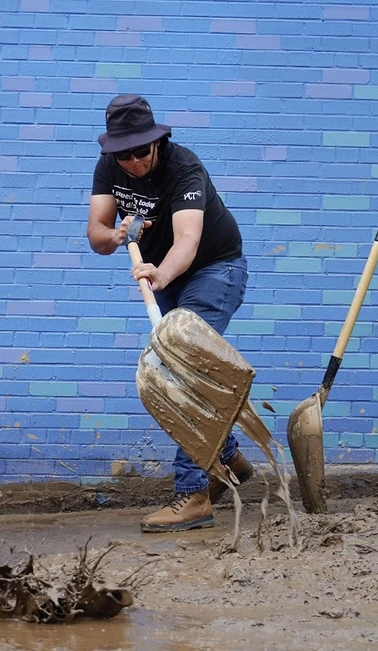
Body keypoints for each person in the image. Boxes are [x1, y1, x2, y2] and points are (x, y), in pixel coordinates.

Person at [87, 94, 253, 532]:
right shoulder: (110, 167)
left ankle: (193, 494)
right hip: (162, 274)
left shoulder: (184, 167)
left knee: (185, 372)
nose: (134, 161)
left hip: (215, 270)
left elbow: (188, 240)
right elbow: (96, 235)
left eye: (141, 150)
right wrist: (117, 234)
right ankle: (229, 458)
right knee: (168, 371)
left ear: (157, 142)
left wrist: (160, 272)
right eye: (123, 154)